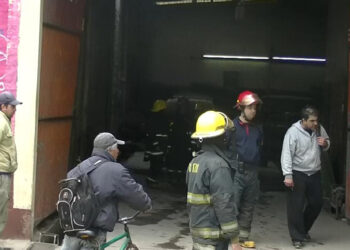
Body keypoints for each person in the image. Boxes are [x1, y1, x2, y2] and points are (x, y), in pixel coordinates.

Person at [61, 132, 152, 250]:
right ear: (110, 150)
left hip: (72, 229)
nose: (118, 151)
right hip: (94, 231)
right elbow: (134, 194)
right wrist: (146, 205)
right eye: (117, 148)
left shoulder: (79, 168)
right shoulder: (115, 171)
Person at [186, 110, 242, 250]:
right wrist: (234, 239)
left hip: (199, 234)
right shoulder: (219, 166)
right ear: (222, 137)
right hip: (214, 238)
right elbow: (224, 203)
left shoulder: (195, 162)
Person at [281, 105, 330, 249]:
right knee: (295, 206)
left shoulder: (319, 129)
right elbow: (286, 155)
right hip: (298, 173)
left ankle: (302, 229)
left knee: (317, 203)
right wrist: (288, 175)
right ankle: (297, 237)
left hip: (314, 173)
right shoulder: (292, 133)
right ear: (303, 120)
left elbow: (327, 142)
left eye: (316, 120)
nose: (315, 123)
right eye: (312, 121)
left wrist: (326, 143)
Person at [226, 90, 263, 246]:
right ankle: (231, 237)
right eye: (250, 108)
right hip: (236, 171)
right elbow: (225, 149)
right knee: (233, 204)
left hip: (252, 172)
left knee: (249, 204)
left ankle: (243, 236)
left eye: (255, 108)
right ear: (241, 108)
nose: (253, 111)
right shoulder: (232, 127)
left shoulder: (258, 128)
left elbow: (259, 147)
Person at [0, 91, 22, 236]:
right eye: (12, 106)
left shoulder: (4, 121)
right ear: (3, 107)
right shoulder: (1, 122)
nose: (15, 109)